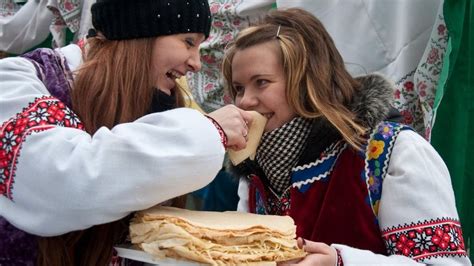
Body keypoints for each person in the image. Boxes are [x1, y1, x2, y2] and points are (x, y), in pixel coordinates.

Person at [0, 0, 253, 265]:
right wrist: (210, 130)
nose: (196, 63)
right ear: (140, 31)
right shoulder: (17, 81)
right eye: (188, 42)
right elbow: (65, 184)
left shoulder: (153, 101)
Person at [222, 8, 471, 265]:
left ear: (307, 81)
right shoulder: (254, 170)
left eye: (261, 82)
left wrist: (341, 261)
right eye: (239, 88)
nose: (245, 101)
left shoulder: (393, 152)